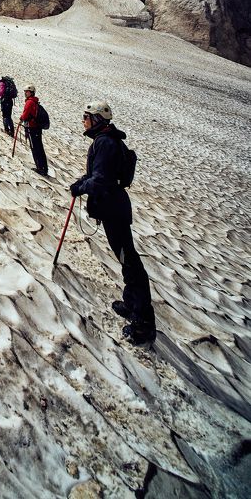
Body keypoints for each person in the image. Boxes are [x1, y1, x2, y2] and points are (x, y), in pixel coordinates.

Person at [70, 101, 156, 347]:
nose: (83, 120)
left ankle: (143, 324)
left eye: (86, 116)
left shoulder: (104, 143)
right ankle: (131, 304)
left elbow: (101, 180)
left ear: (97, 119)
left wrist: (81, 187)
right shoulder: (105, 140)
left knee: (129, 261)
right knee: (126, 258)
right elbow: (99, 174)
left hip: (113, 208)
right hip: (114, 207)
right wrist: (83, 181)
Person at [19, 84, 48, 175]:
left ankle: (40, 168)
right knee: (39, 147)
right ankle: (43, 168)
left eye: (27, 92)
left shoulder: (29, 102)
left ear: (31, 92)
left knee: (35, 148)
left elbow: (25, 114)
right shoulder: (34, 101)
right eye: (25, 92)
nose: (25, 93)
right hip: (37, 127)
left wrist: (21, 119)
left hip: (32, 127)